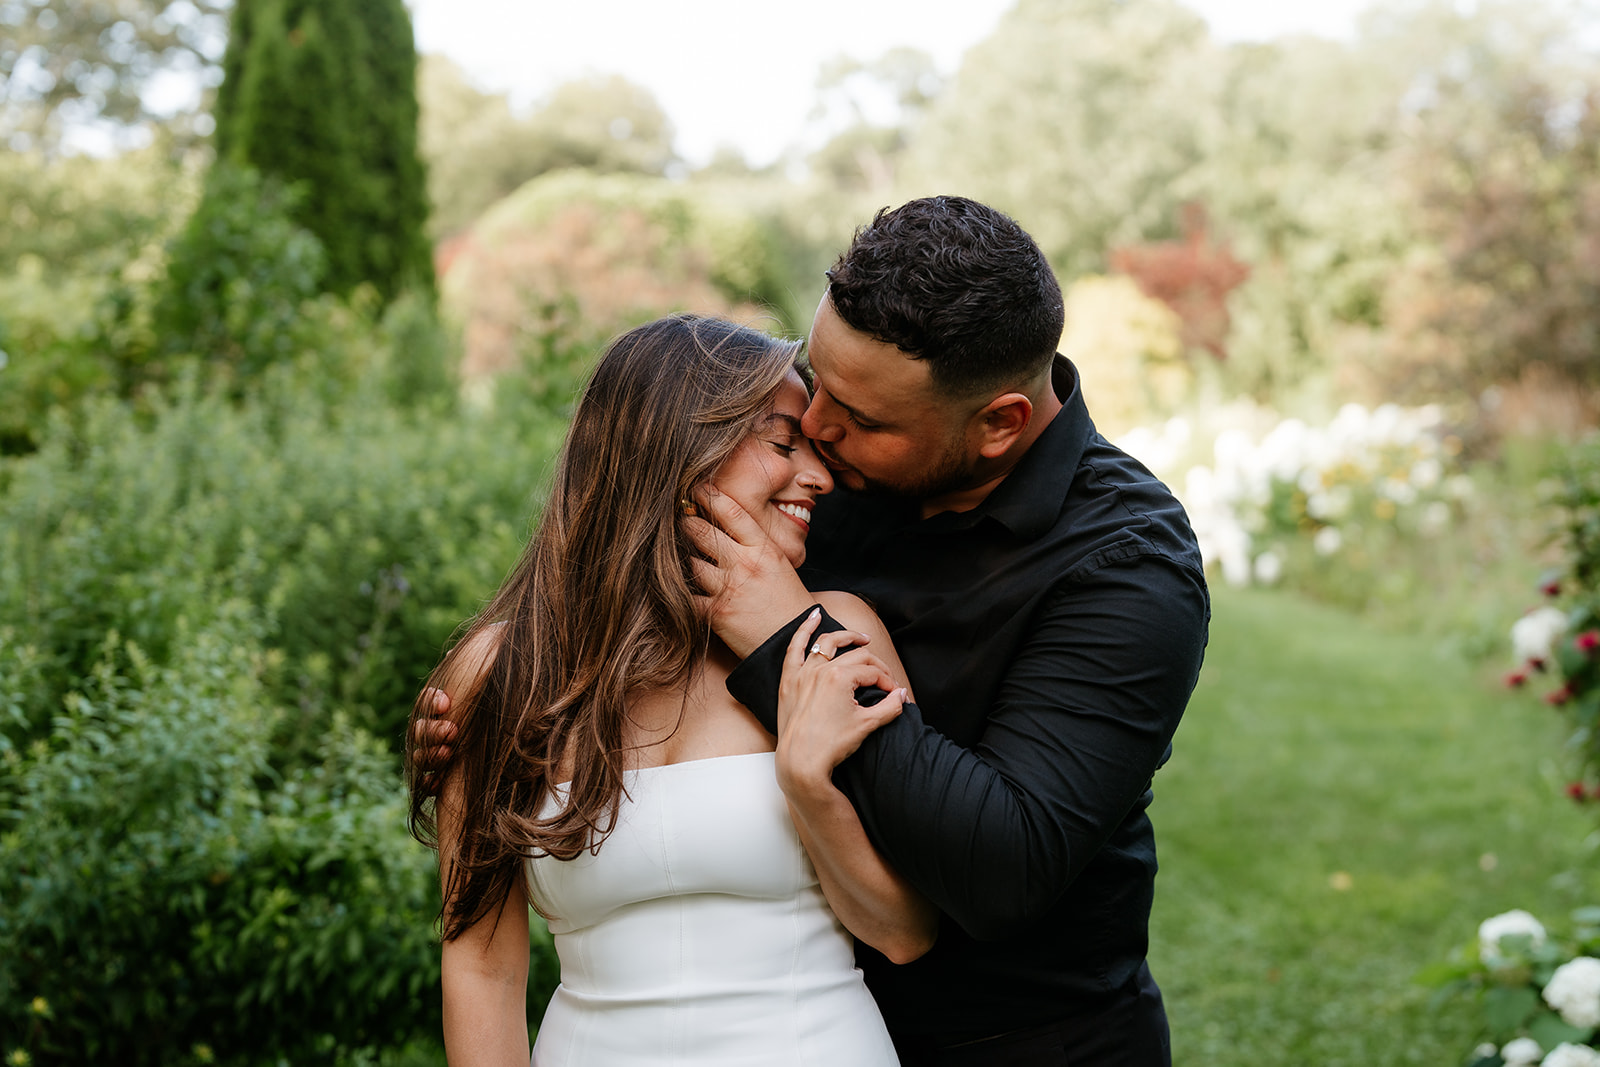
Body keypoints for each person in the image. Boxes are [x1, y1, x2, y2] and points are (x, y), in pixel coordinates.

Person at [420, 195, 1211, 1065]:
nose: (821, 439)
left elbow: (1003, 865)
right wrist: (498, 701)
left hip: (1024, 1038)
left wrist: (782, 638)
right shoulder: (817, 479)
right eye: (815, 383)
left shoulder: (1126, 563)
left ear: (998, 426)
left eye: (861, 420)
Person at [407, 314, 938, 1066]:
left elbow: (904, 929)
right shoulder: (506, 672)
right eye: (785, 444)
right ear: (681, 454)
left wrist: (808, 785)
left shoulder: (835, 638)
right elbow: (483, 967)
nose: (818, 476)